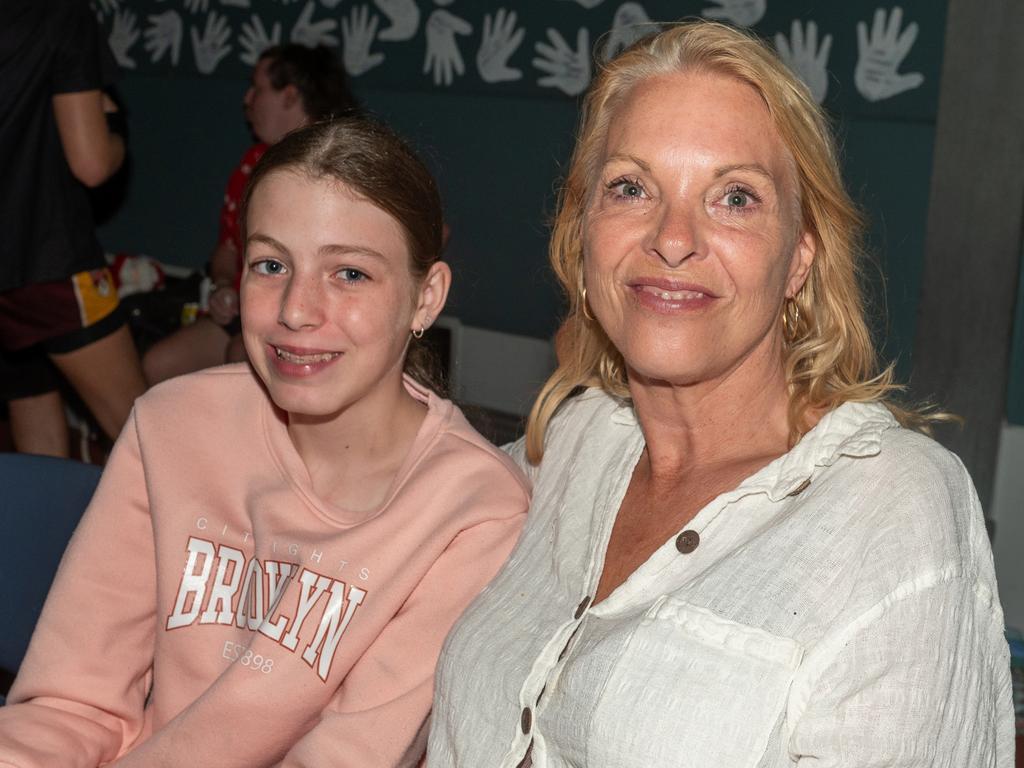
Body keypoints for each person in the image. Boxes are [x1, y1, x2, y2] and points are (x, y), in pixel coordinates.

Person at [427, 21, 1014, 767]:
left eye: (735, 197)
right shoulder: (567, 447)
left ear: (798, 260)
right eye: (631, 188)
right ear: (584, 239)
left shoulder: (891, 508)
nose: (673, 239)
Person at [0, 118, 529, 766]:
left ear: (425, 297)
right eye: (271, 264)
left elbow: (345, 757)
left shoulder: (471, 512)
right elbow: (68, 705)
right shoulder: (171, 426)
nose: (296, 309)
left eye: (351, 274)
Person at [142, 43, 358, 385]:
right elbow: (227, 248)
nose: (247, 99)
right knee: (160, 364)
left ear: (289, 96)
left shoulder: (343, 162)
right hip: (248, 311)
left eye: (257, 88)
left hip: (306, 317)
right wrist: (225, 286)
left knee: (240, 359)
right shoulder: (253, 163)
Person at [0, 0, 145, 456]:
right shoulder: (62, 14)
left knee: (31, 410)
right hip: (47, 259)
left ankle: (41, 530)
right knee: (144, 436)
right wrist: (116, 129)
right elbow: (92, 163)